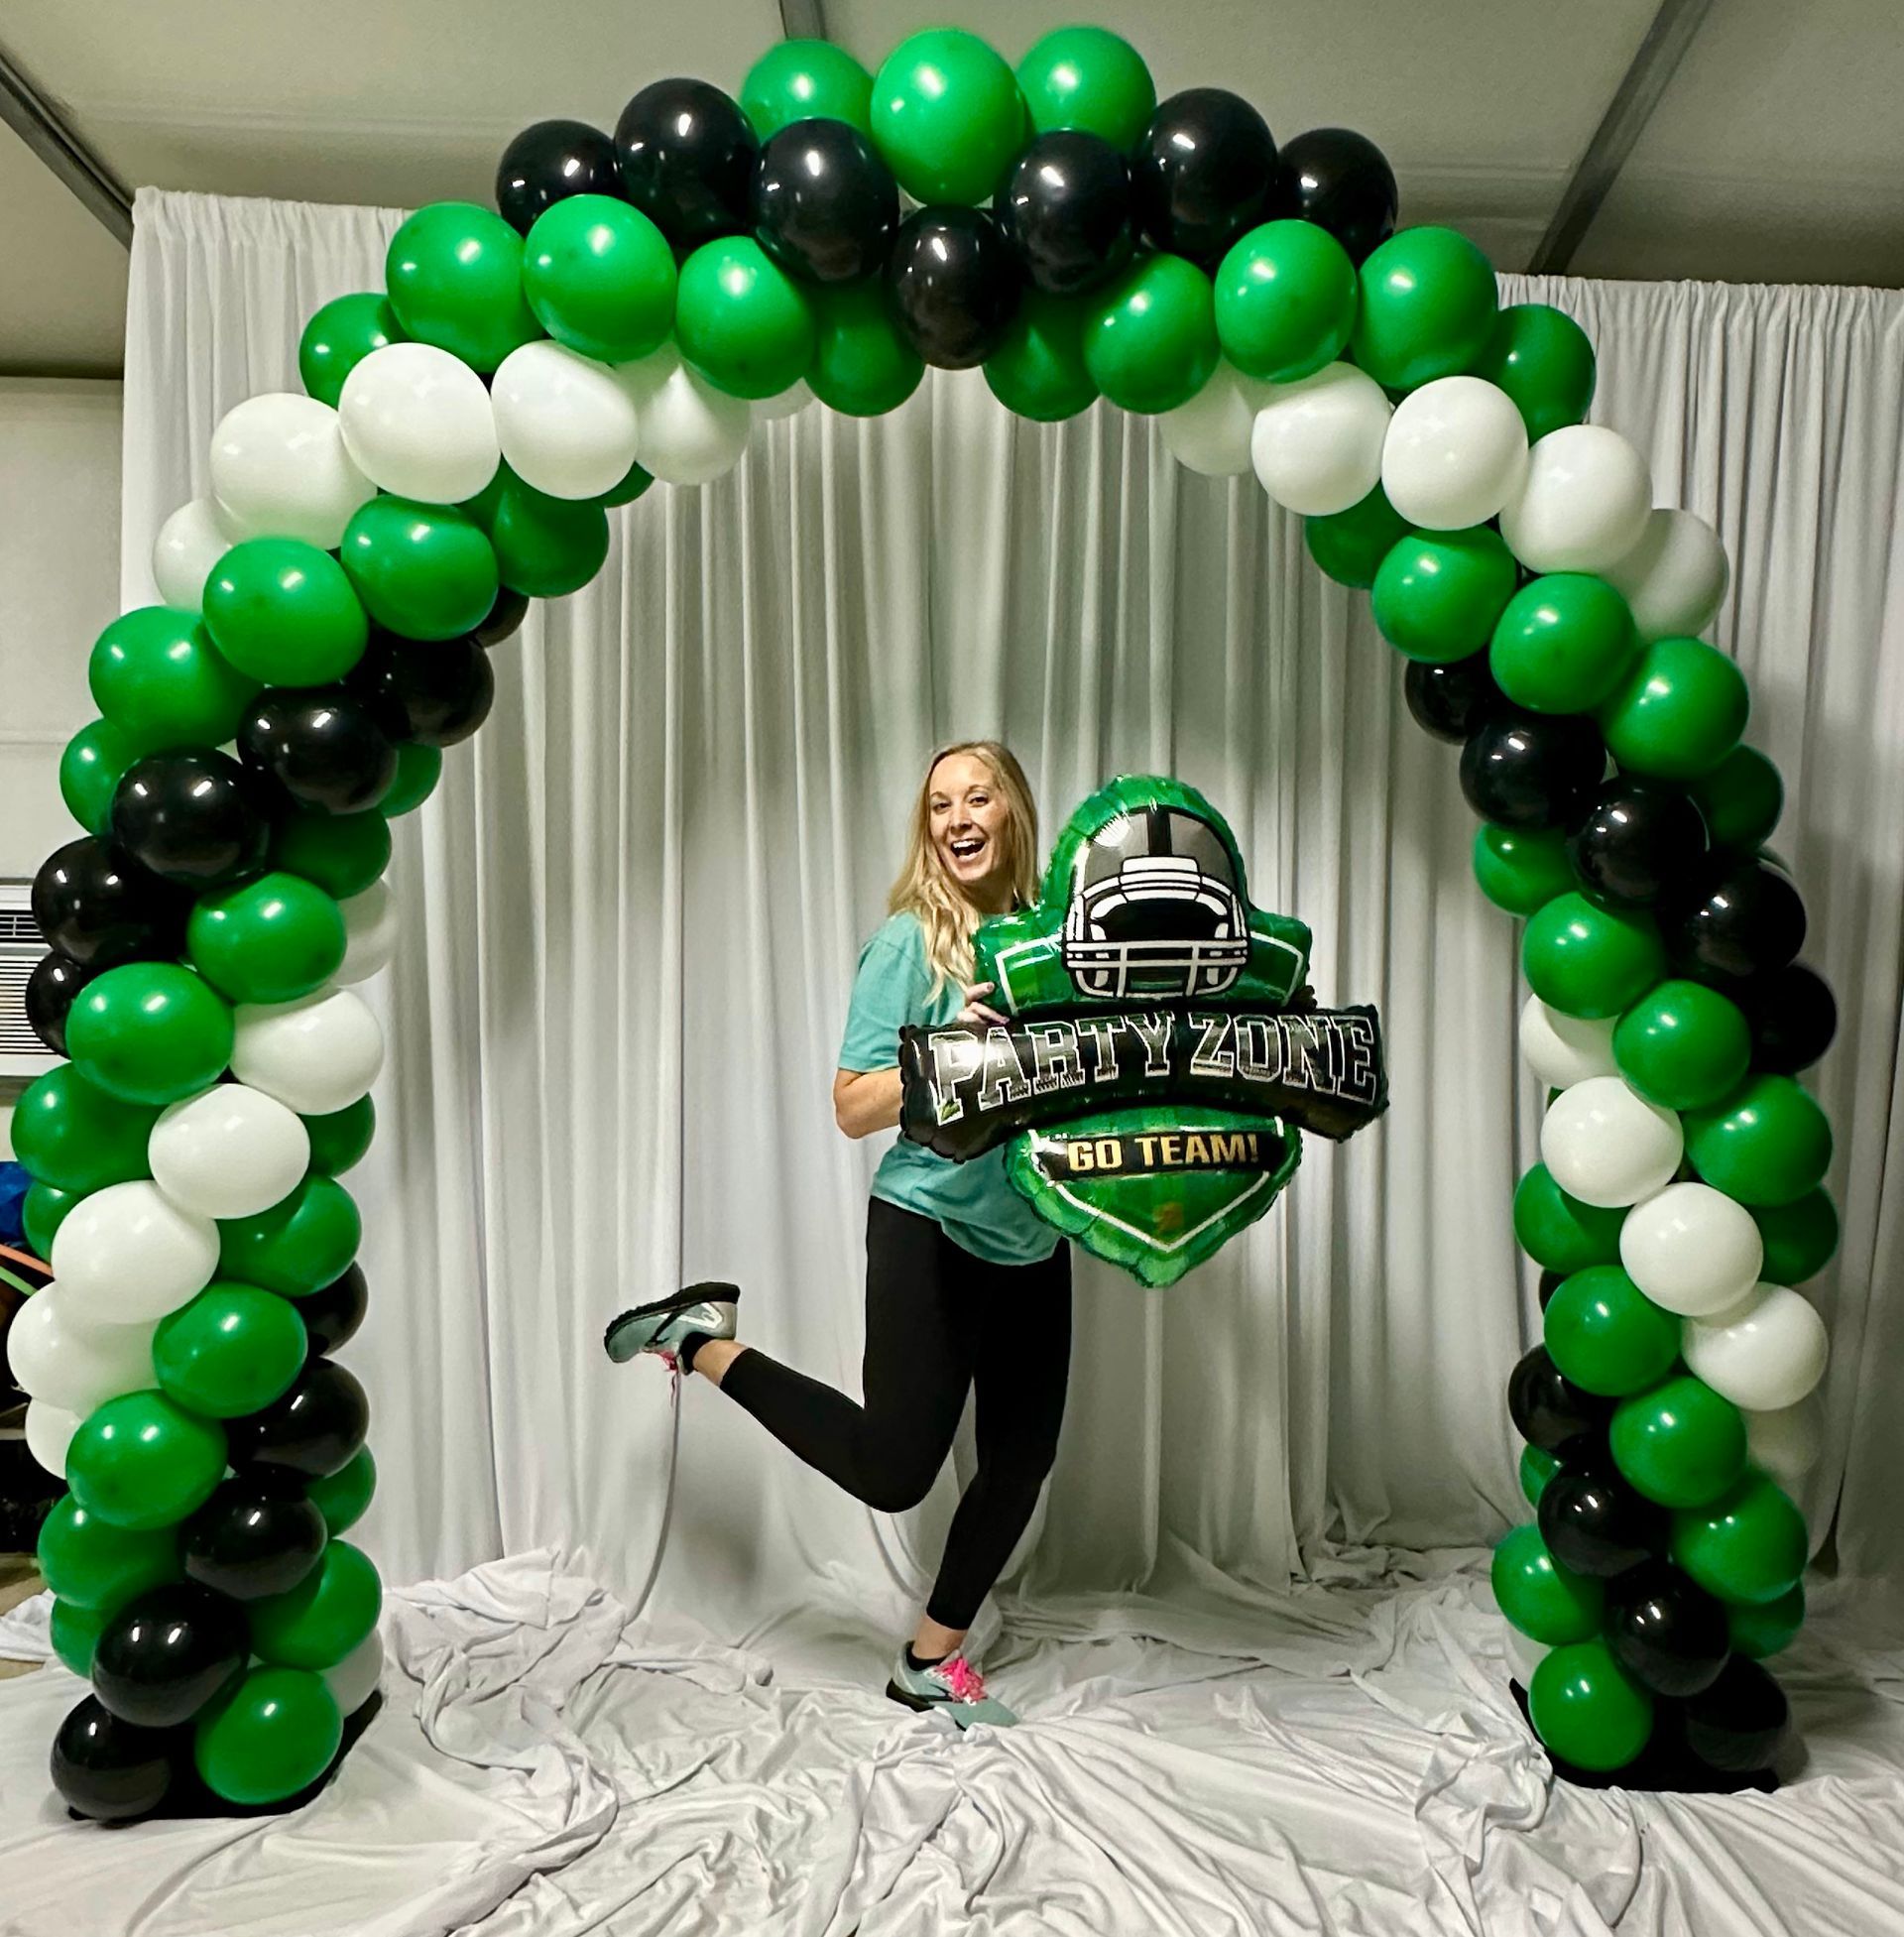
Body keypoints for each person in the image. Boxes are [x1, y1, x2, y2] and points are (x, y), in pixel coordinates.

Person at [604, 741, 1070, 1728]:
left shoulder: (1055, 940)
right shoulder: (912, 944)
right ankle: (699, 1339)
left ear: (1015, 811)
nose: (957, 818)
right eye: (939, 804)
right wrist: (956, 1051)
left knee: (1022, 1461)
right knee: (895, 1471)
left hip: (1036, 1233)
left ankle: (927, 1660)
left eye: (977, 797)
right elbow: (853, 1106)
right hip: (929, 1224)